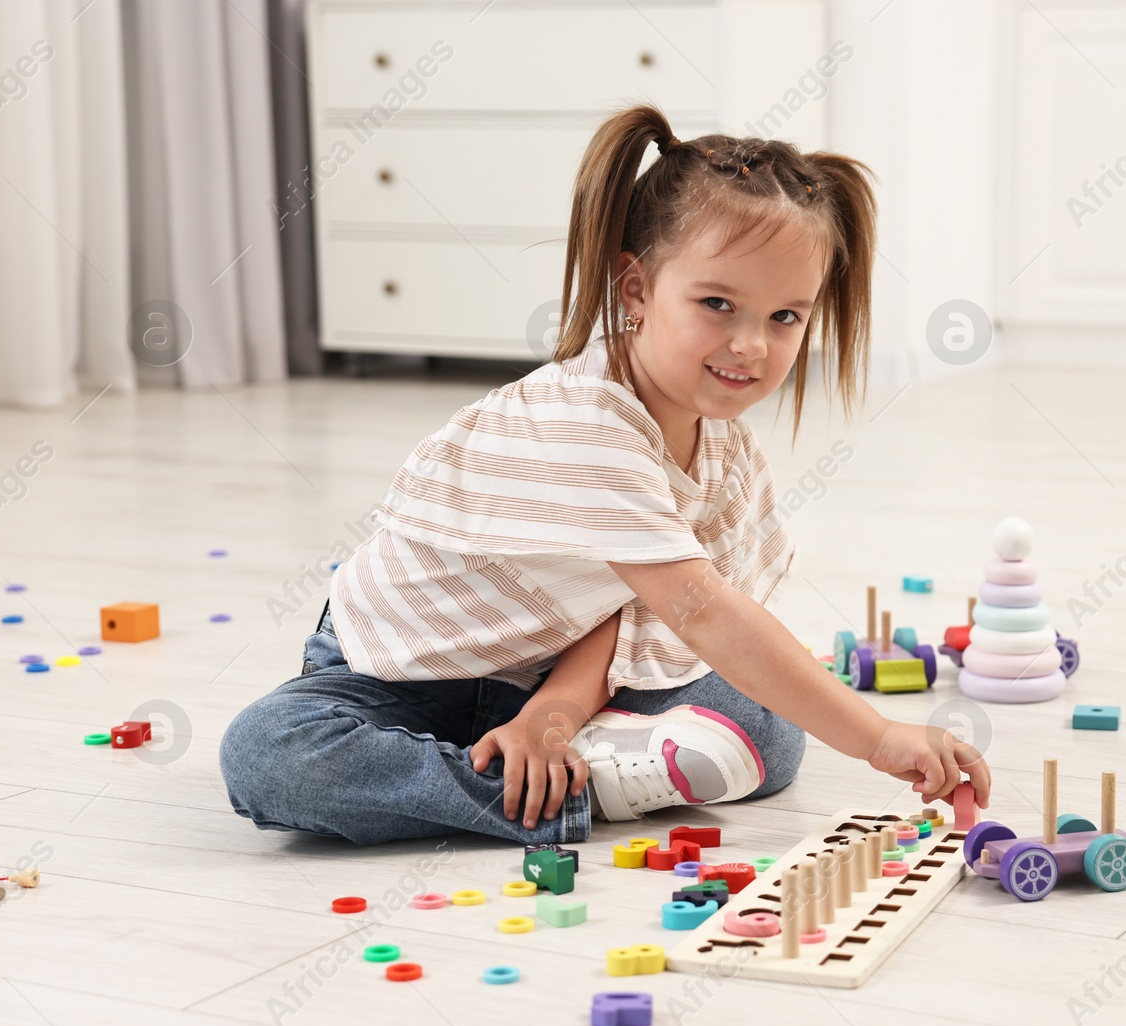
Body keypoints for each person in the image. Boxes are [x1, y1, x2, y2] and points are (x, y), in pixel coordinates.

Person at [219, 104, 990, 846]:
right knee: (269, 755)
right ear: (636, 290)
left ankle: (555, 765)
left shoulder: (724, 450)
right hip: (401, 679)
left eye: (785, 317)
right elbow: (704, 614)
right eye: (718, 304)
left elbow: (638, 610)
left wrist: (554, 709)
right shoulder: (590, 421)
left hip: (552, 673)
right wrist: (878, 735)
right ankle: (562, 794)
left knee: (771, 731)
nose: (752, 344)